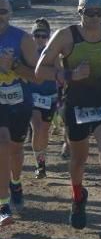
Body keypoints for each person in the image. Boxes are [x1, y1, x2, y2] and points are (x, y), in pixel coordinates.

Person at [36, 0, 101, 239]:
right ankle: (78, 197)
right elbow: (40, 70)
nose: (96, 18)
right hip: (76, 105)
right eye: (91, 13)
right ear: (80, 12)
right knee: (79, 160)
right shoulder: (65, 36)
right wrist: (69, 75)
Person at [0, 0, 40, 227]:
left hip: (19, 101)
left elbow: (37, 75)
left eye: (3, 11)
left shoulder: (22, 38)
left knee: (15, 149)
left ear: (11, 13)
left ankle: (15, 182)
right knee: (2, 143)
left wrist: (14, 65)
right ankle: (3, 204)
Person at [27, 20, 57, 179]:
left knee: (44, 131)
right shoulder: (27, 52)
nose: (40, 39)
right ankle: (39, 164)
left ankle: (42, 158)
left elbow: (61, 73)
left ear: (48, 37)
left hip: (50, 97)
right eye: (36, 35)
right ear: (32, 36)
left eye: (43, 36)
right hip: (32, 97)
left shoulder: (53, 53)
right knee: (37, 127)